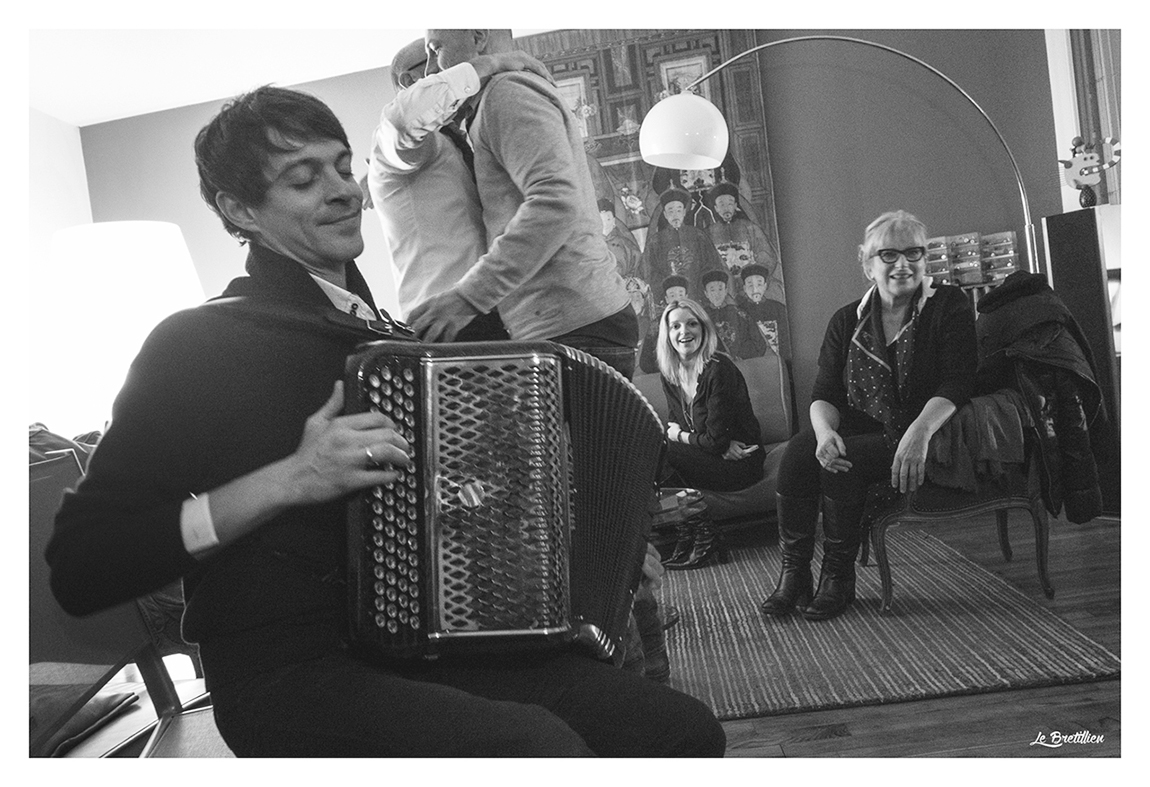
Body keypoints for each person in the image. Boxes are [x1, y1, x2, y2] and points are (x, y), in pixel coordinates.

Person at [44, 85, 725, 757]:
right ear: (239, 209)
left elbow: (449, 504)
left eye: (343, 168)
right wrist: (288, 479)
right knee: (540, 750)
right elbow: (85, 564)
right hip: (289, 673)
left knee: (679, 730)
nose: (343, 191)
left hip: (430, 646)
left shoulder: (392, 341)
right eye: (303, 179)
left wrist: (551, 528)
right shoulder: (196, 346)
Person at [760, 210, 977, 621]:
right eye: (889, 254)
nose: (903, 264)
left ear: (925, 258)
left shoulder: (948, 305)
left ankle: (838, 578)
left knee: (845, 463)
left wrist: (919, 433)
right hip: (869, 424)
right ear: (867, 264)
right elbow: (824, 394)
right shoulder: (847, 320)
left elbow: (958, 382)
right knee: (799, 451)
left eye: (913, 253)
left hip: (931, 428)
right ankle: (795, 575)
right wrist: (824, 433)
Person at [407, 30, 637, 381]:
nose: (428, 70)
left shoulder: (506, 94)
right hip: (571, 326)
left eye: (436, 49)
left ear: (478, 37)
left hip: (575, 328)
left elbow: (555, 204)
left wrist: (468, 297)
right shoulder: (495, 100)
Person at [367, 39, 551, 340]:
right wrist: (493, 62)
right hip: (445, 323)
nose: (447, 66)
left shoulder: (451, 142)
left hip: (481, 313)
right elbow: (401, 123)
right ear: (410, 81)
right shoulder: (398, 146)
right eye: (433, 56)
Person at [655, 299, 765, 570]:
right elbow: (681, 424)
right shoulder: (670, 374)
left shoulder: (719, 368)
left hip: (741, 463)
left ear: (704, 329)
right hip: (712, 456)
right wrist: (709, 442)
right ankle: (690, 532)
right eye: (675, 326)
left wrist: (683, 437)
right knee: (655, 451)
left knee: (662, 448)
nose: (684, 332)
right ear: (667, 334)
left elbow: (709, 439)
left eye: (692, 323)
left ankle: (703, 533)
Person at [641, 187, 725, 304]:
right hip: (670, 299)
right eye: (671, 211)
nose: (675, 215)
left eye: (679, 210)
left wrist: (700, 292)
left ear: (684, 212)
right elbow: (650, 273)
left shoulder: (698, 236)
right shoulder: (655, 241)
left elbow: (711, 265)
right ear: (665, 214)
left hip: (698, 296)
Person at [705, 181, 784, 302]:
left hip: (750, 283)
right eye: (721, 204)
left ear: (736, 205)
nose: (726, 208)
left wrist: (750, 276)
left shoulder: (750, 228)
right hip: (723, 287)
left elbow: (766, 255)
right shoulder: (709, 233)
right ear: (715, 208)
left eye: (730, 204)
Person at [699, 268, 766, 362]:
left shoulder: (739, 313)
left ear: (726, 291)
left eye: (720, 289)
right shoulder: (700, 316)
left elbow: (758, 342)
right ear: (706, 293)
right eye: (712, 290)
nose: (717, 294)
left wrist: (742, 357)